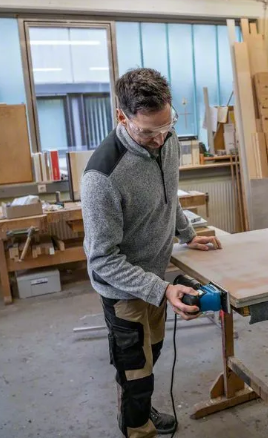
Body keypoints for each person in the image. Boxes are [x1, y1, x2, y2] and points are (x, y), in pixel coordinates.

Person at [81, 68, 222, 438]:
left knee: (152, 352)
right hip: (123, 290)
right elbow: (102, 259)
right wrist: (162, 289)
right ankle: (136, 426)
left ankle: (140, 408)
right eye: (148, 132)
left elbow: (168, 193)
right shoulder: (102, 178)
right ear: (122, 117)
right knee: (135, 372)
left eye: (166, 125)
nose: (160, 139)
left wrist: (187, 234)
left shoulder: (166, 138)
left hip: (156, 279)